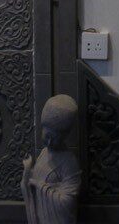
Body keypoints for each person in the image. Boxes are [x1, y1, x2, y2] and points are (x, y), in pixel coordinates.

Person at [21, 95, 81, 224]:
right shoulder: (44, 153)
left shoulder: (69, 162)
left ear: (64, 136)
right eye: (47, 136)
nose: (49, 142)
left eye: (55, 138)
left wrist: (41, 186)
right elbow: (33, 182)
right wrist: (28, 172)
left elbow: (68, 202)